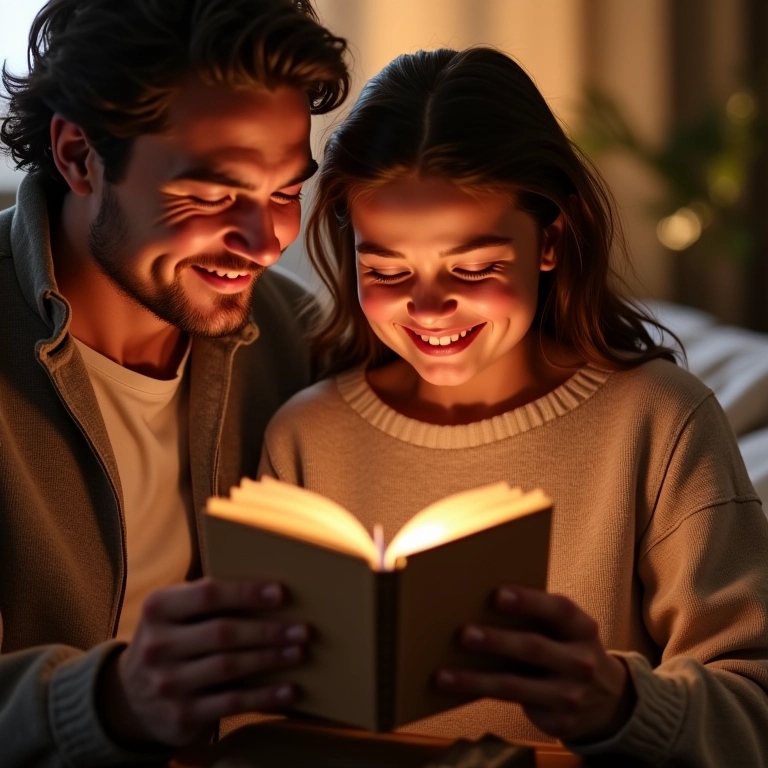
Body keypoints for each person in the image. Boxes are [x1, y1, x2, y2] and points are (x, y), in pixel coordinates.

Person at [258, 47, 768, 765]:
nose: (427, 306)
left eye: (473, 267)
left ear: (551, 240)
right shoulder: (306, 434)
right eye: (386, 269)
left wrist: (617, 700)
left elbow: (753, 702)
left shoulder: (658, 421)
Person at [0, 0, 349, 764]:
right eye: (214, 193)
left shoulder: (293, 338)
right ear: (79, 155)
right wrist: (110, 699)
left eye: (285, 192)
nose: (264, 243)